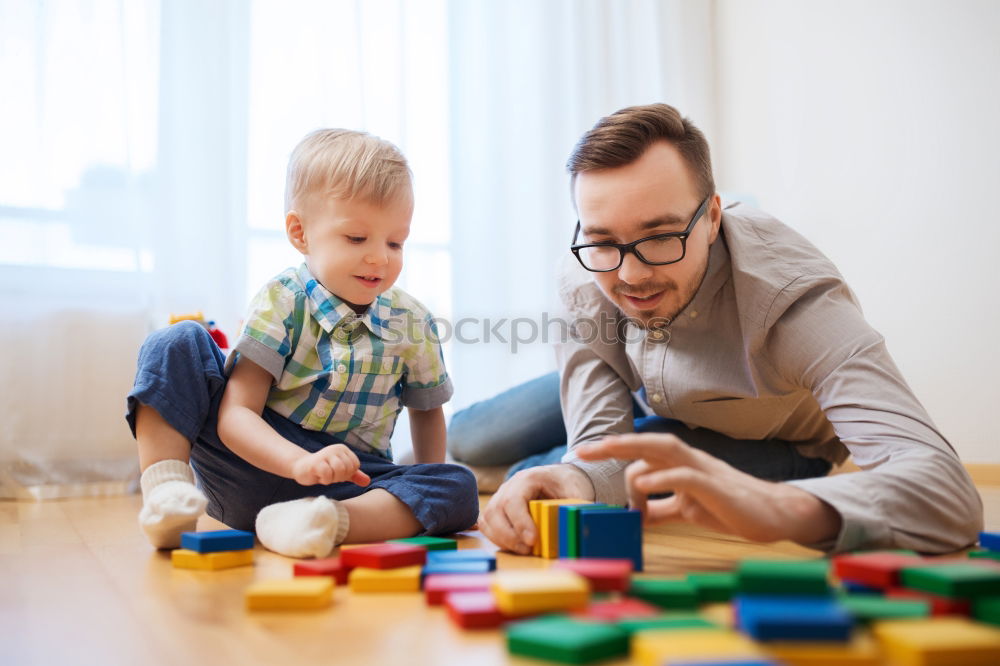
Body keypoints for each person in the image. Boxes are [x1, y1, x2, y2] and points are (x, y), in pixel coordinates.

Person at [468, 103, 982, 555]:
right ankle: (502, 468)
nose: (630, 275)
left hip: (773, 443)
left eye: (661, 235)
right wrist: (579, 469)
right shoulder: (584, 271)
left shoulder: (796, 303)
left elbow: (946, 493)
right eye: (603, 241)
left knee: (549, 476)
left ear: (712, 218)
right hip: (646, 394)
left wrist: (782, 505)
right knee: (474, 439)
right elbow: (600, 441)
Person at [127, 129, 478, 558]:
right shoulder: (283, 300)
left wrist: (425, 490)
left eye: (395, 242)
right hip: (251, 458)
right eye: (356, 238)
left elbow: (427, 414)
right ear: (300, 233)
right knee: (176, 341)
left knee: (456, 485)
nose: (380, 258)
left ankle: (321, 523)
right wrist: (297, 462)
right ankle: (169, 499)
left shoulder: (412, 321)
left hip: (349, 480)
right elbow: (236, 414)